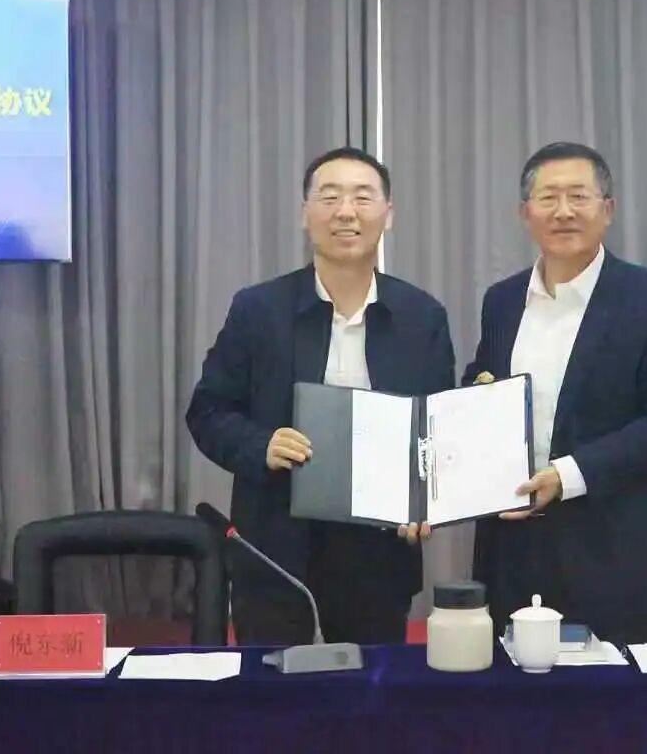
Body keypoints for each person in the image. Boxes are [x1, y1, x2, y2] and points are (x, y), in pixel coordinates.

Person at [187, 147, 455, 645]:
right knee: (273, 687)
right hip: (275, 551)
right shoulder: (258, 309)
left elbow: (438, 431)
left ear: (388, 214)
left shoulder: (421, 316)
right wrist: (260, 445)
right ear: (304, 213)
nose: (346, 212)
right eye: (329, 198)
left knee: (372, 688)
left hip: (378, 556)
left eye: (362, 198)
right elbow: (208, 410)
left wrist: (427, 501)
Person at [466, 142, 647, 645]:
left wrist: (565, 476)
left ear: (607, 209)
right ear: (525, 213)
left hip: (610, 550)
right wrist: (472, 399)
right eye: (548, 197)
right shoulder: (502, 301)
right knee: (505, 689)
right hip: (510, 550)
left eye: (578, 196)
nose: (564, 211)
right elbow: (481, 382)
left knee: (609, 693)